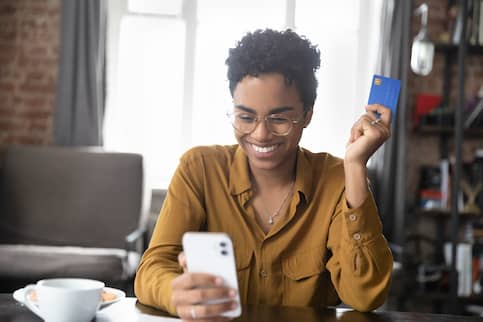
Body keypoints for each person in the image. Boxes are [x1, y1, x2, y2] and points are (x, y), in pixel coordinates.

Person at [135, 28, 393, 321]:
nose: (260, 134)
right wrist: (175, 293)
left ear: (307, 114)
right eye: (245, 117)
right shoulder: (199, 169)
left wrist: (356, 165)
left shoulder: (336, 180)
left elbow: (366, 295)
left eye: (279, 118)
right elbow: (152, 269)